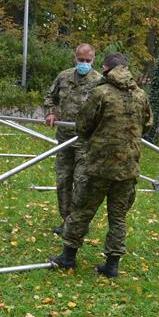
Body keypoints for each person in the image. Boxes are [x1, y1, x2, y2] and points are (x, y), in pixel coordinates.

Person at [50, 53, 152, 278]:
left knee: (82, 210)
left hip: (99, 166)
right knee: (118, 217)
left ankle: (68, 257)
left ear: (105, 69)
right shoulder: (141, 95)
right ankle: (112, 266)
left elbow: (83, 126)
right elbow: (147, 123)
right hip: (128, 168)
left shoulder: (100, 93)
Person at [43, 43, 102, 234]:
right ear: (74, 58)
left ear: (93, 60)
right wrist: (51, 113)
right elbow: (50, 97)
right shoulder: (64, 76)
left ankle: (78, 224)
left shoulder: (99, 81)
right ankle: (66, 221)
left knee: (82, 183)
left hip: (85, 143)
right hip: (64, 139)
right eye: (81, 60)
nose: (84, 63)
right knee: (63, 181)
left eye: (88, 60)